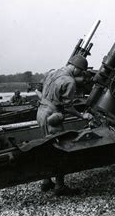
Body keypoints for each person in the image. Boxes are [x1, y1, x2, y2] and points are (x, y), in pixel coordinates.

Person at [37, 55, 93, 196]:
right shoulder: (69, 81)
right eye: (80, 71)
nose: (81, 74)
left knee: (47, 147)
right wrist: (82, 116)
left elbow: (39, 89)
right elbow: (68, 107)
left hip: (41, 113)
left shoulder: (52, 72)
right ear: (75, 68)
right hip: (52, 117)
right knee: (59, 150)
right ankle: (60, 186)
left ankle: (46, 181)